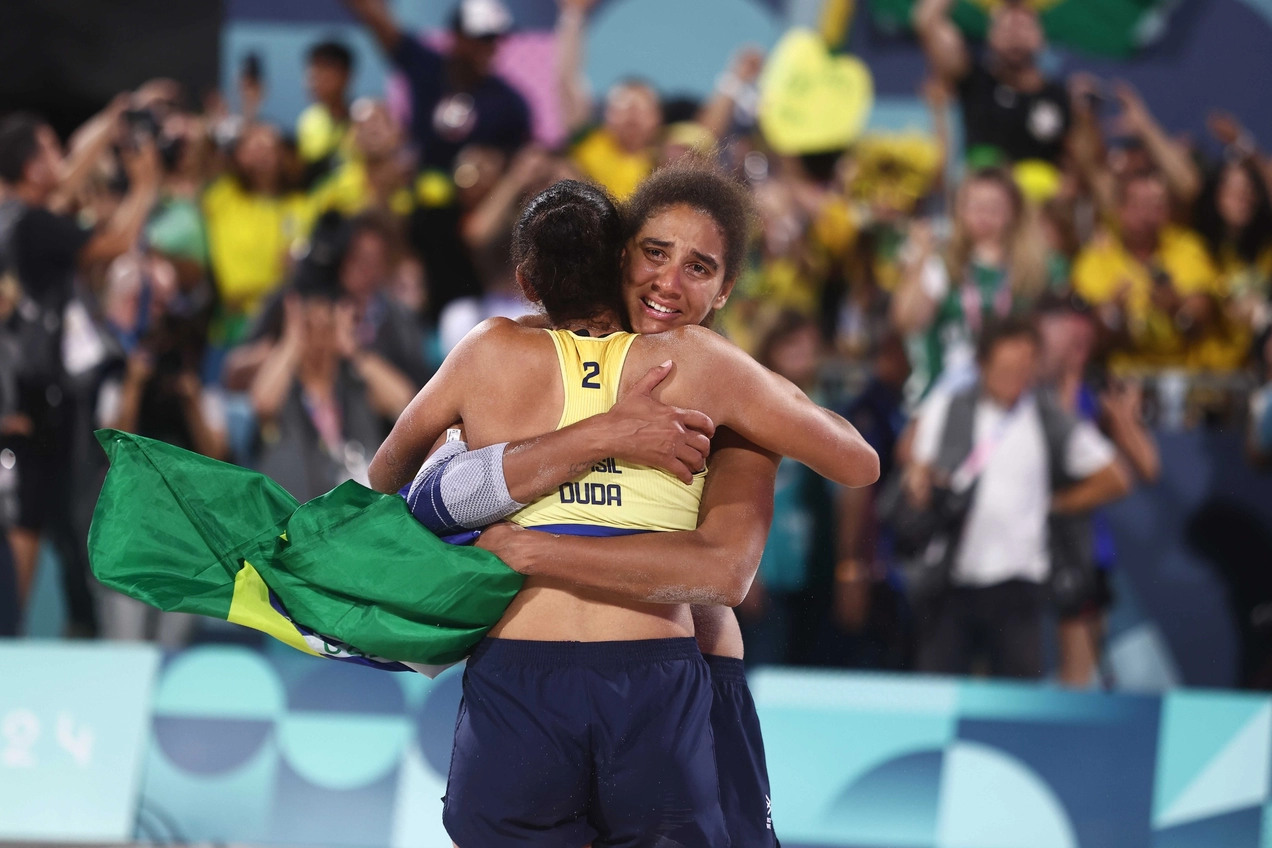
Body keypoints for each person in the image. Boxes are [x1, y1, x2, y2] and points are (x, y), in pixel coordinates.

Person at [370, 178, 879, 846]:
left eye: (698, 267)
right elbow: (854, 463)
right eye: (655, 253)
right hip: (656, 674)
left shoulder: (492, 351)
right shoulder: (702, 367)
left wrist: (765, 392)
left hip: (593, 673)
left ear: (725, 289)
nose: (669, 280)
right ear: (618, 258)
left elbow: (729, 572)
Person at [0, 110, 159, 631]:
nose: (61, 160)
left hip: (32, 411)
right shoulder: (32, 222)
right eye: (49, 150)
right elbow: (112, 244)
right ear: (29, 167)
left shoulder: (16, 219)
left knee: (53, 546)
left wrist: (116, 114)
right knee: (38, 547)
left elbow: (68, 177)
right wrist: (146, 187)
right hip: (32, 415)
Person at [903, 317, 1130, 678]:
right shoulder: (949, 406)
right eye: (1006, 369)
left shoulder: (1046, 415)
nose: (1015, 380)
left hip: (1020, 582)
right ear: (982, 364)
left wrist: (1057, 505)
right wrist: (921, 480)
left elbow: (1114, 477)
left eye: (1024, 369)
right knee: (938, 688)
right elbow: (914, 459)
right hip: (951, 576)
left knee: (1014, 700)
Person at [1037, 293, 1159, 686]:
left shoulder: (1097, 390)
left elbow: (1147, 467)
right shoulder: (1033, 393)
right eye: (1071, 339)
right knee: (1051, 667)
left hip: (1091, 552)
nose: (1079, 347)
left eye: (1084, 340)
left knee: (1101, 671)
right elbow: (1064, 448)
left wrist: (1124, 418)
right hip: (1041, 553)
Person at [892, 167, 1048, 399]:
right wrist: (919, 260)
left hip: (1013, 398)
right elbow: (908, 320)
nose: (983, 215)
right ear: (959, 209)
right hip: (943, 394)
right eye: (974, 205)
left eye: (993, 207)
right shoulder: (942, 263)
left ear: (1014, 212)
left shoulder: (1034, 270)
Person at [1072, 171, 1235, 370]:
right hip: (1123, 378)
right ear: (1119, 209)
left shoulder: (1187, 247)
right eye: (1139, 205)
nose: (1148, 215)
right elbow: (1087, 333)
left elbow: (1203, 314)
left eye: (1157, 206)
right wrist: (1112, 316)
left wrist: (1177, 309)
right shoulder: (1096, 258)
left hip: (1184, 377)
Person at [343, 0, 530, 172]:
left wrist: (494, 160)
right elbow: (381, 25)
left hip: (477, 202)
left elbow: (522, 160)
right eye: (480, 38)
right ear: (457, 36)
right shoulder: (427, 66)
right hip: (419, 192)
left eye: (494, 39)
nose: (489, 47)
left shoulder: (509, 104)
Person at [913, 0, 1071, 166]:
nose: (1014, 36)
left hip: (1043, 191)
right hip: (982, 188)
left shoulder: (1063, 97)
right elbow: (928, 21)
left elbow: (1081, 167)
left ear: (1041, 37)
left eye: (1024, 27)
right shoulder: (972, 80)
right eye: (1006, 28)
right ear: (990, 35)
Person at [556, 0, 663, 199]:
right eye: (622, 106)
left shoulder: (667, 160)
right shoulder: (587, 141)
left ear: (658, 118)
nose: (632, 113)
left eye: (641, 107)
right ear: (606, 115)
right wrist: (573, 15)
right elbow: (567, 79)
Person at [296, 40, 355, 177]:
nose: (313, 81)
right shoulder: (307, 121)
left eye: (322, 72)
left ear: (346, 75)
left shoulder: (363, 118)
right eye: (311, 74)